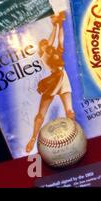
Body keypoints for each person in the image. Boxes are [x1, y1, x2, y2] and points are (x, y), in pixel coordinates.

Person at [25, 13, 74, 153]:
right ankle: (33, 138)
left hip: (62, 78)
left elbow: (60, 40)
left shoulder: (55, 51)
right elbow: (51, 41)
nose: (46, 43)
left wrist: (59, 25)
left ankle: (76, 132)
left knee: (70, 111)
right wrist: (55, 26)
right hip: (53, 81)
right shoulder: (44, 55)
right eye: (43, 44)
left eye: (45, 42)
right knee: (41, 114)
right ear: (41, 48)